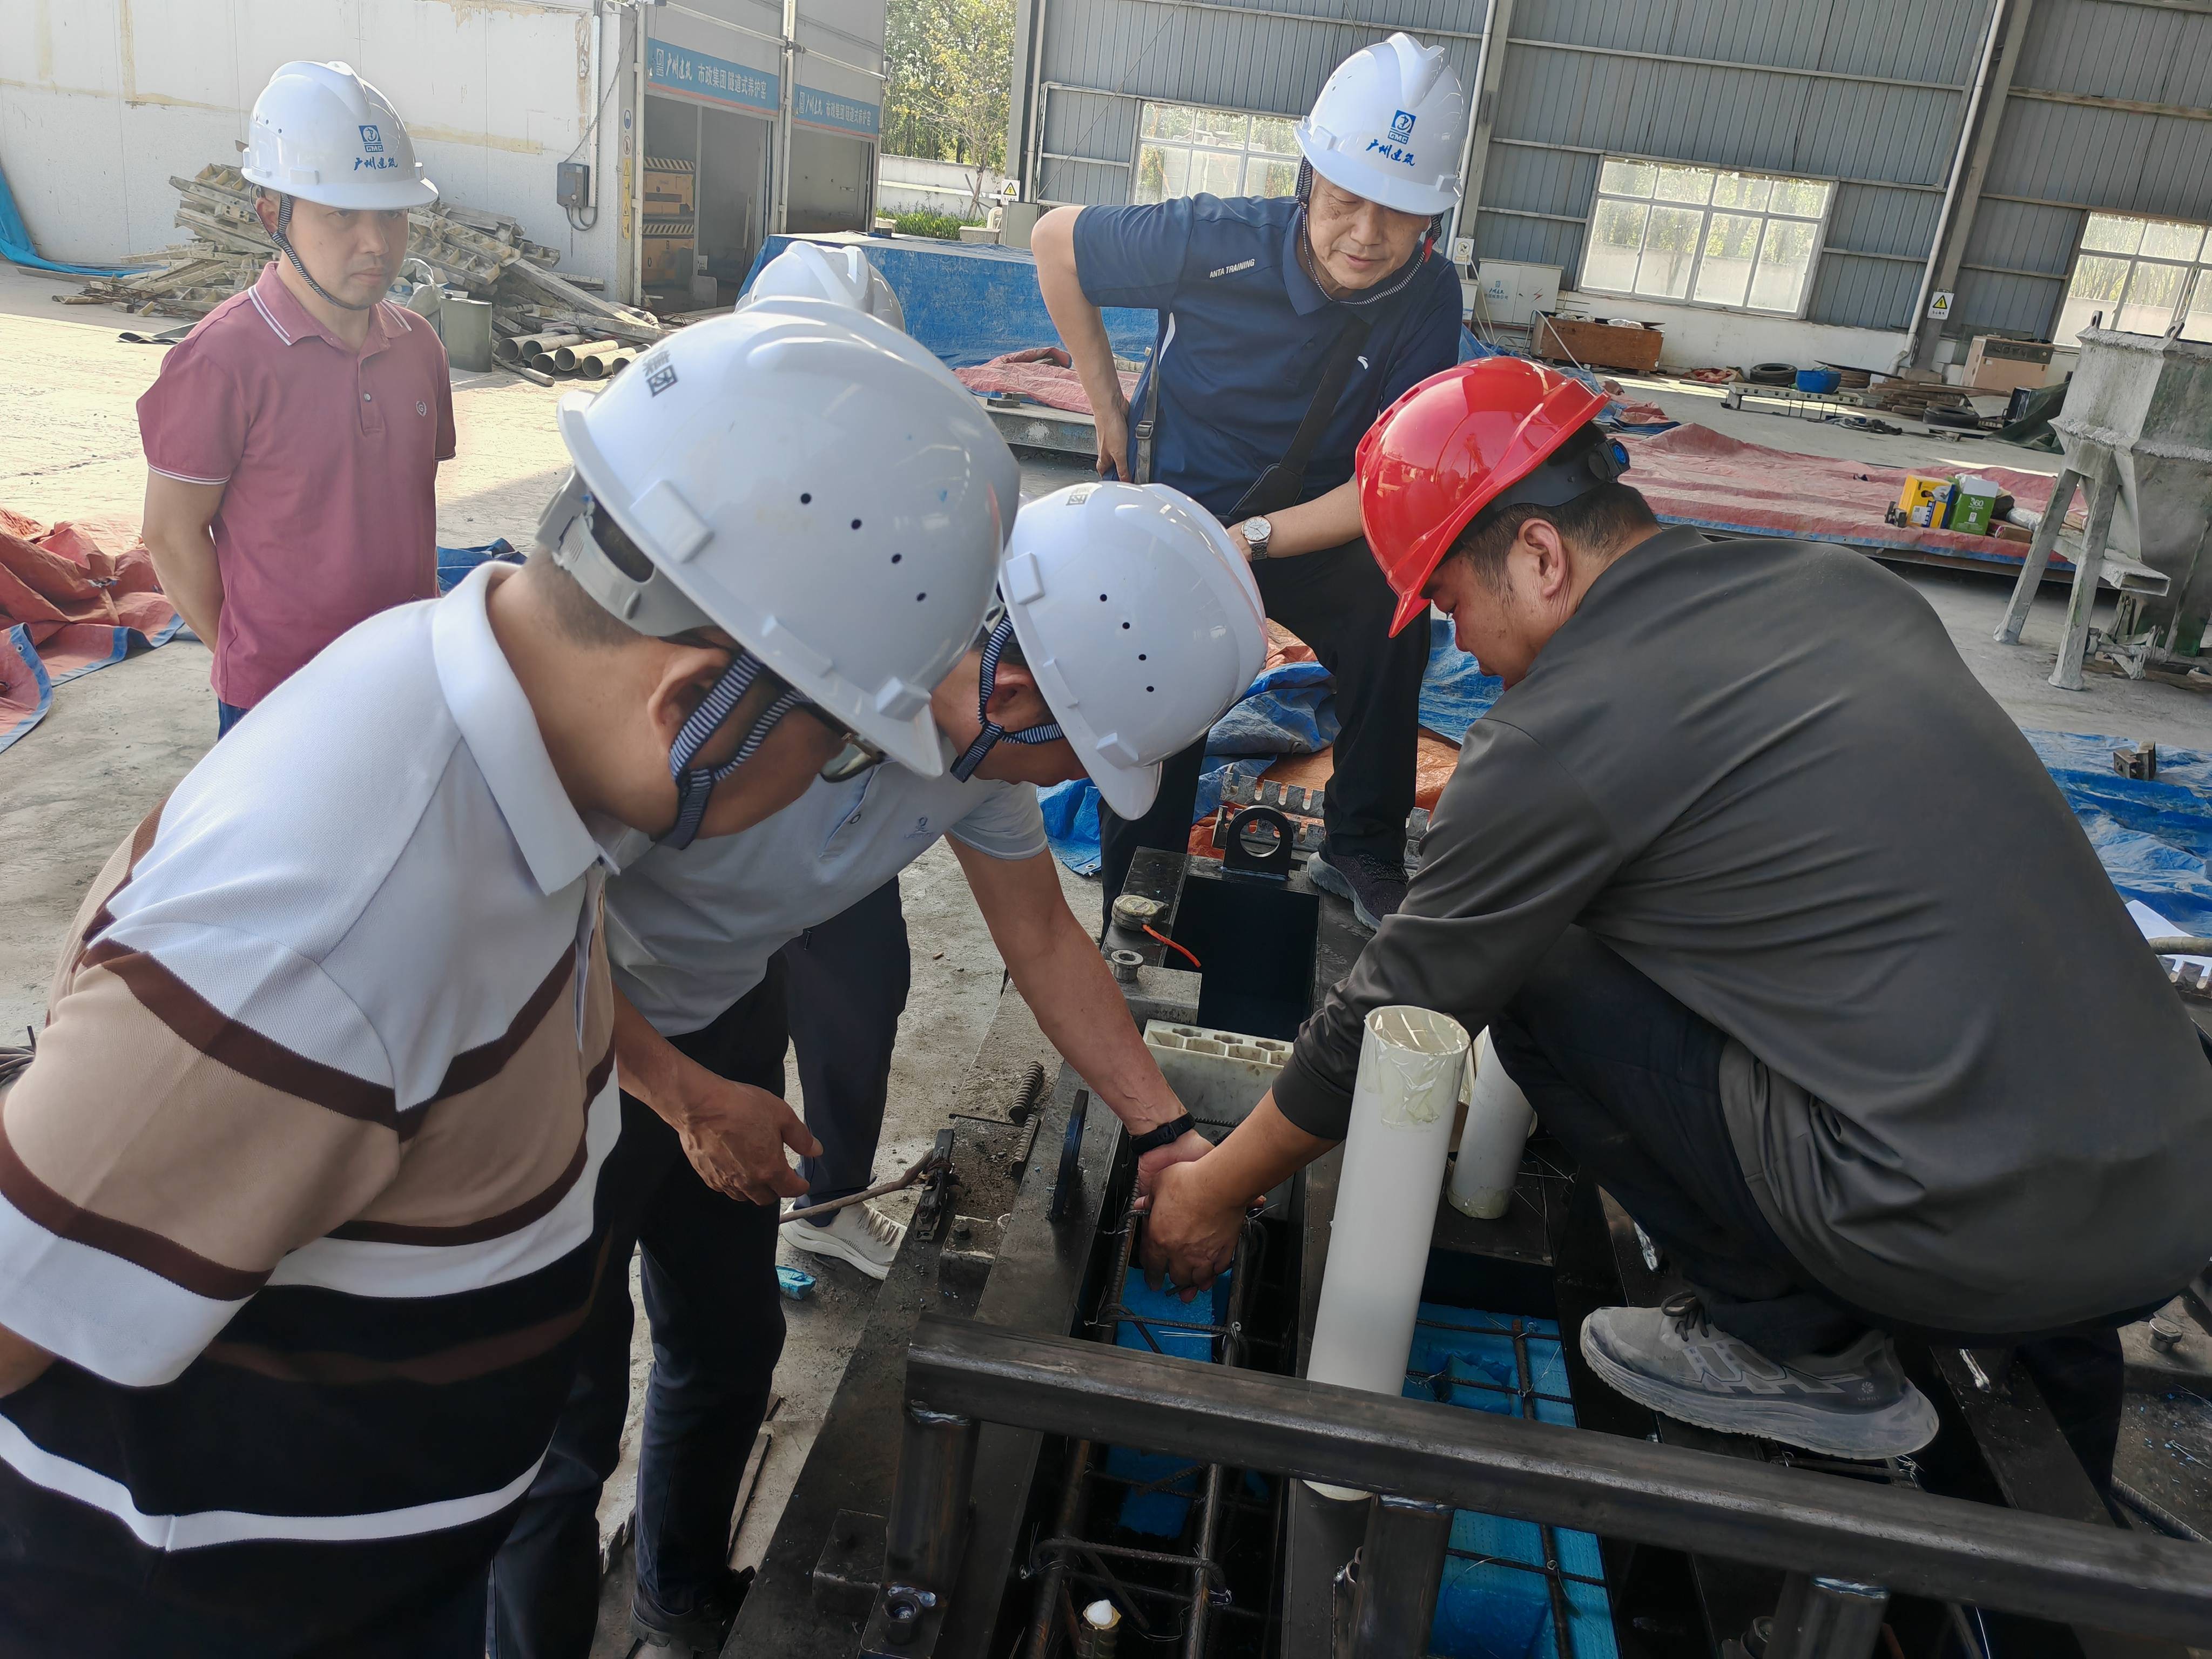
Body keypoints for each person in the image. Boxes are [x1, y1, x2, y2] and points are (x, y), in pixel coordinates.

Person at [0, 304, 1010, 1657]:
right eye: (835, 749)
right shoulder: (333, 913)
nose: (827, 788)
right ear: (695, 702)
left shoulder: (504, 751)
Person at [1142, 356, 2212, 1475]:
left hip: (1942, 1219)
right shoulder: (1840, 586)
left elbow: (1392, 1006)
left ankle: (1794, 1351)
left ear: (1539, 554)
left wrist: (1214, 1191)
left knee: (1538, 974)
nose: (1455, 644)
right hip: (2166, 1187)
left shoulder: (1559, 731)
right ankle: (2052, 1484)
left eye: (1451, 603)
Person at [488, 472, 1269, 1658]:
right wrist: (688, 1101)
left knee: (727, 1340)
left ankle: (680, 1596)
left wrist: (1164, 1133)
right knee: (562, 1421)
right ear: (1014, 687)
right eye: (1076, 757)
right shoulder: (757, 681)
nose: (1065, 789)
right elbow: (528, 920)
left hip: (725, 1024)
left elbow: (1043, 936)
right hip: (558, 1053)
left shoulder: (975, 751)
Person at [1031, 31, 1469, 930]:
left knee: (1392, 606)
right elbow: (1054, 244)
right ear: (1310, 177)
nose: (1367, 235)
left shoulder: (1426, 294)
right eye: (1347, 201)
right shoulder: (1212, 240)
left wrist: (1256, 542)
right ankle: (1141, 901)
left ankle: (1363, 845)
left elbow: (1390, 483)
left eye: (1399, 215)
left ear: (1431, 219)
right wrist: (1107, 404)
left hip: (1304, 526)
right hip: (1175, 526)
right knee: (1160, 696)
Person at [138, 60, 454, 737]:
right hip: (277, 701)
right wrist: (253, 657)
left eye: (392, 214)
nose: (376, 243)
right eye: (341, 212)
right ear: (271, 215)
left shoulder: (420, 348)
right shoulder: (220, 360)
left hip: (406, 681)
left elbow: (405, 508)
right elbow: (170, 534)